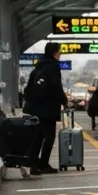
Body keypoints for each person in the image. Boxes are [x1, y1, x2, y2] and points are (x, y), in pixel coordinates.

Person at [23, 43, 68, 176]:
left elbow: (29, 86)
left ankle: (33, 164)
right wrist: (65, 101)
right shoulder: (53, 66)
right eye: (59, 52)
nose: (60, 54)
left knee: (38, 136)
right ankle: (43, 164)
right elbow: (56, 86)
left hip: (35, 107)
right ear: (55, 53)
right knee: (49, 136)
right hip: (47, 108)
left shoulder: (40, 65)